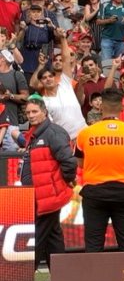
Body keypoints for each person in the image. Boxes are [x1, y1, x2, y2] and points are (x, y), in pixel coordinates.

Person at [74, 89, 124, 252]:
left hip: (95, 192)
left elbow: (80, 163)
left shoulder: (85, 133)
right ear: (122, 107)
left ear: (101, 106)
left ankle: (93, 270)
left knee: (93, 245)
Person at [21, 97, 76, 270]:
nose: (31, 115)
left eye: (34, 111)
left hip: (49, 196)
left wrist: (64, 181)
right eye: (28, 112)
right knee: (53, 237)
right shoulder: (36, 133)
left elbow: (69, 161)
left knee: (38, 237)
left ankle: (24, 276)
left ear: (44, 112)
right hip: (42, 195)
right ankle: (61, 276)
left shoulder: (53, 132)